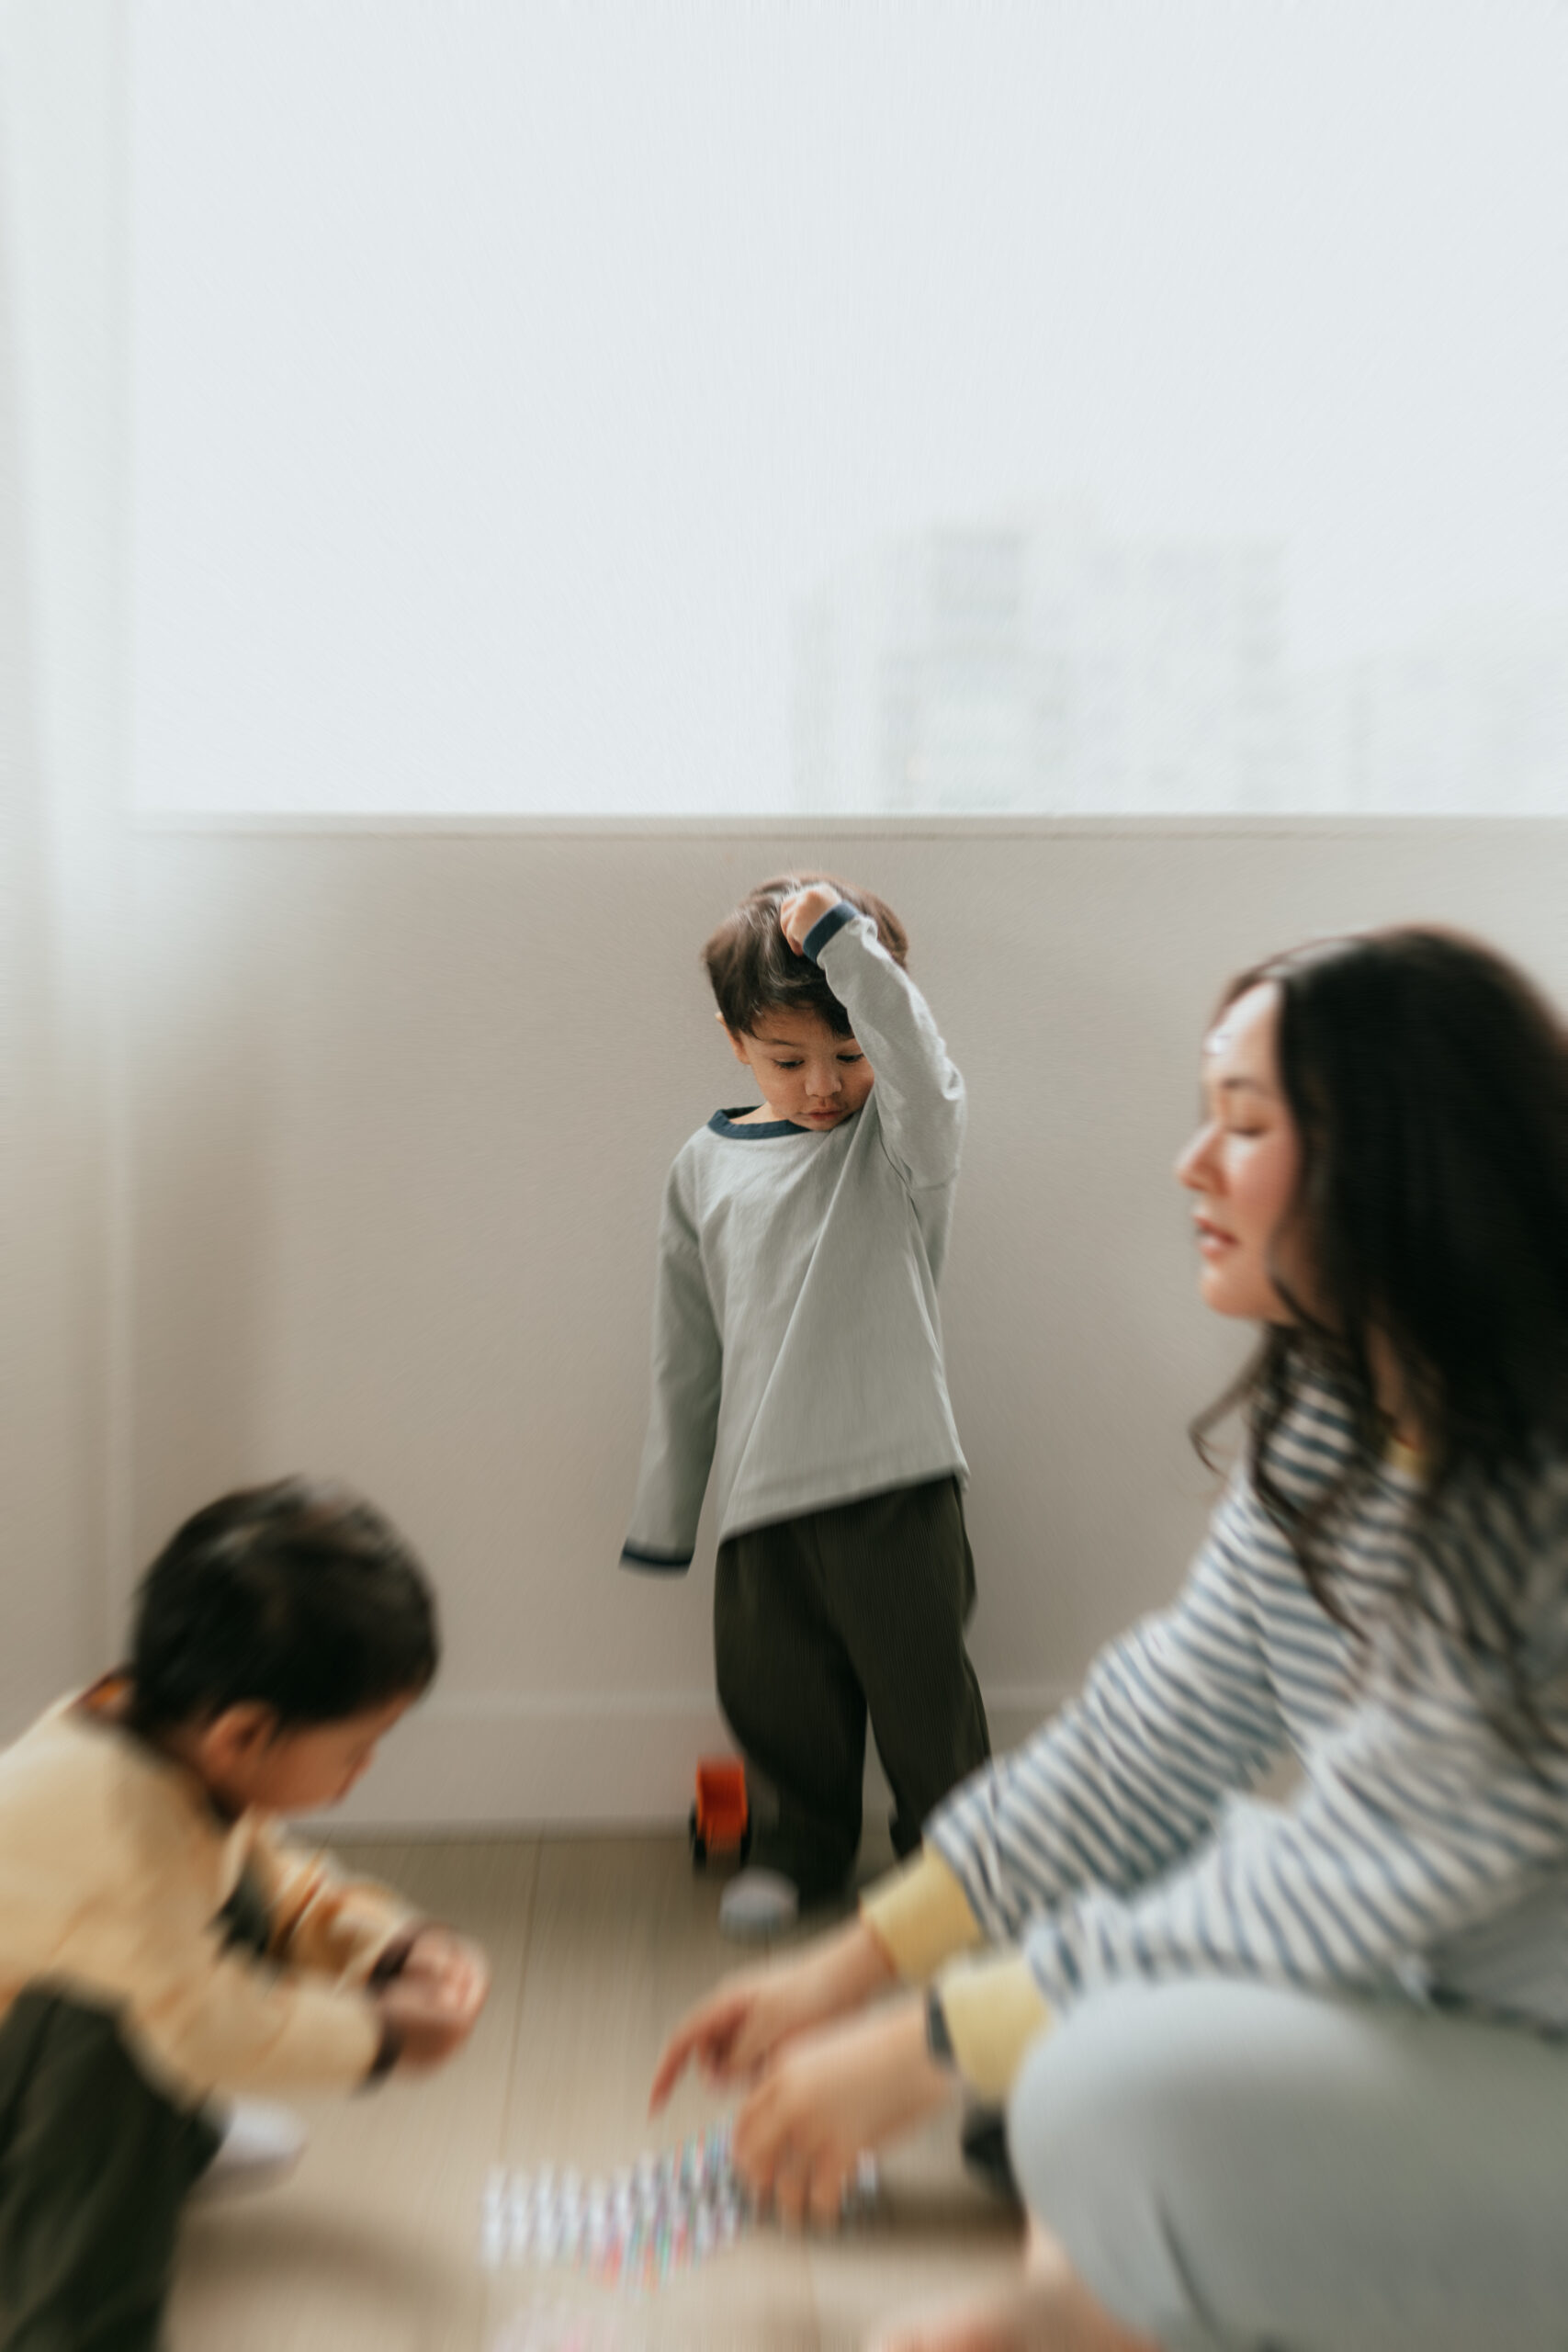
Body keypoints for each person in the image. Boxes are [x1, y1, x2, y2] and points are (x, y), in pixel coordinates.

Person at [652, 925, 1568, 2352]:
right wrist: (850, 1970)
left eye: (1244, 1126)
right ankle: (1083, 2305)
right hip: (1465, 1980)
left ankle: (1092, 2311)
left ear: (1395, 1165)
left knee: (1088, 2070)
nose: (1189, 1164)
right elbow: (1149, 1740)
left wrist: (927, 2045)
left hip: (1528, 2032)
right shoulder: (1335, 1414)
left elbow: (1371, 1872)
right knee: (1129, 1927)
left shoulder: (1532, 1495)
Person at [0, 1478, 490, 2352]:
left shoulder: (140, 1725)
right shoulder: (116, 1842)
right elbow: (207, 2025)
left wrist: (386, 1949)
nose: (364, 1769)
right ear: (243, 1735)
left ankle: (171, 2143)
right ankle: (73, 2328)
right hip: (31, 2080)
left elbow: (269, 1873)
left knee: (238, 1906)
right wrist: (383, 2036)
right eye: (355, 1749)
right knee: (118, 2022)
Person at [621, 874, 990, 1937]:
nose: (824, 1086)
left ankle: (955, 1868)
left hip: (895, 1478)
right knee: (778, 1701)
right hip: (758, 1494)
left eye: (849, 1055)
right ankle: (799, 1848)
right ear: (738, 1042)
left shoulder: (900, 1150)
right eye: (789, 1060)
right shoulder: (704, 1167)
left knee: (926, 1701)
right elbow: (685, 1353)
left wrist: (845, 945)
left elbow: (923, 1070)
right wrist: (667, 1509)